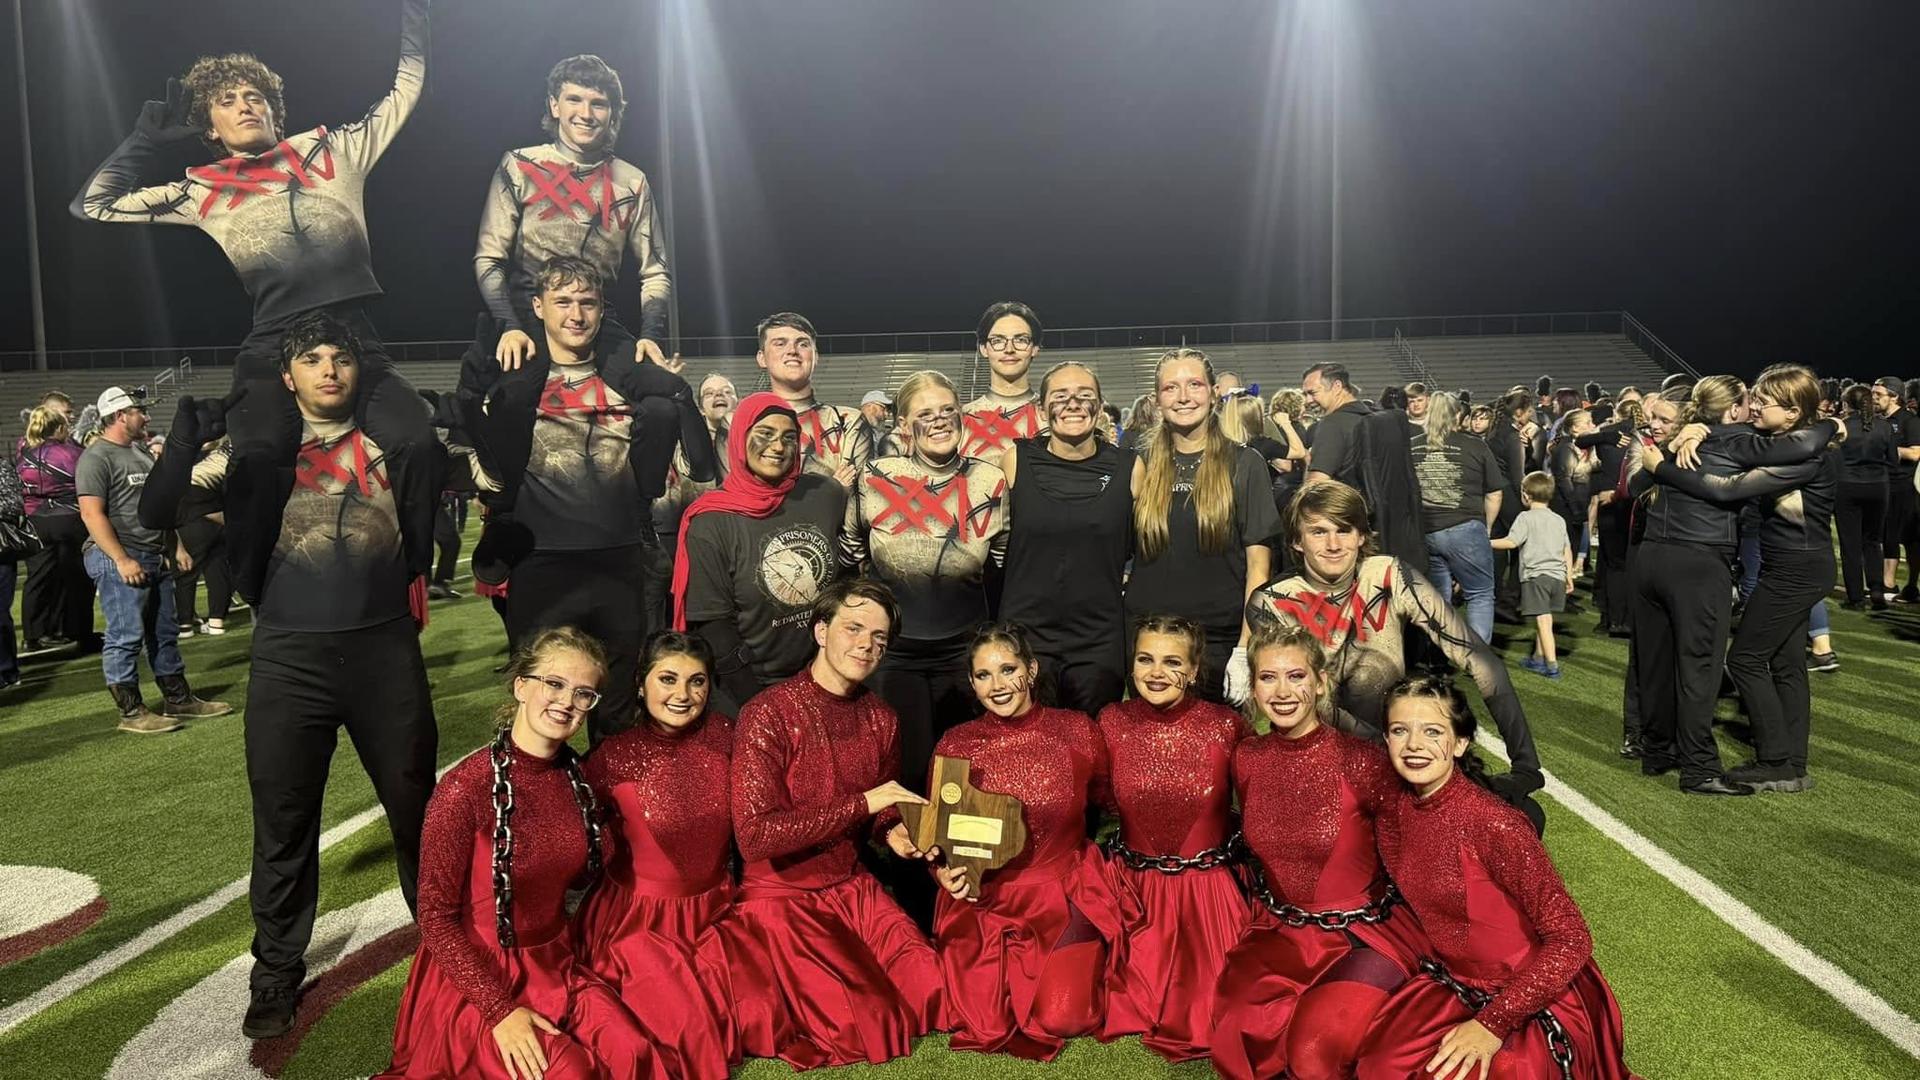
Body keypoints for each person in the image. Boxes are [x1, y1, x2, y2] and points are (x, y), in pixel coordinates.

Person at [139, 312, 436, 1037]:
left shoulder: (394, 445)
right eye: (313, 359)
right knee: (283, 824)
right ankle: (275, 971)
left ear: (359, 370)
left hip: (383, 653)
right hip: (289, 659)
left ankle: (449, 945)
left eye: (341, 357)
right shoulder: (248, 454)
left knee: (418, 815)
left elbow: (494, 479)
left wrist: (498, 408)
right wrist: (184, 441)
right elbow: (154, 511)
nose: (329, 369)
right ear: (287, 376)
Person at [72, 2, 441, 583]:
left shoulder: (331, 152)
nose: (245, 105)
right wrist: (143, 143)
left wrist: (415, 14)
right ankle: (251, 576)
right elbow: (93, 205)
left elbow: (407, 86)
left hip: (352, 336)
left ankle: (414, 567)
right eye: (227, 101)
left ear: (275, 111)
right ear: (211, 129)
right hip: (273, 341)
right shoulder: (203, 189)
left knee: (418, 440)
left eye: (255, 98)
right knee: (262, 453)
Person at [378, 627, 648, 1080]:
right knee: (570, 1071)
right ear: (522, 685)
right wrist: (500, 1012)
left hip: (556, 967)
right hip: (477, 979)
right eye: (554, 684)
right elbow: (435, 916)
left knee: (633, 1052)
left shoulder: (578, 778)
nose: (565, 702)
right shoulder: (464, 790)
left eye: (583, 694)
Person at [458, 257, 709, 740]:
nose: (576, 314)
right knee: (540, 715)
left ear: (602, 311)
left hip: (618, 562)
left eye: (588, 303)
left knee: (618, 714)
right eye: (563, 302)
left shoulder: (631, 375)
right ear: (538, 307)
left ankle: (610, 814)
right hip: (541, 564)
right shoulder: (512, 375)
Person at [1356, 676, 1634, 1080]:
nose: (1414, 744)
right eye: (1401, 730)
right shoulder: (1394, 809)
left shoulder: (1494, 824)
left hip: (1534, 996)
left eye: (1432, 731)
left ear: (1461, 743)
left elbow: (1572, 938)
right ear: (1387, 738)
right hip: (1452, 985)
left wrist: (1492, 1024)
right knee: (1377, 1068)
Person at [717, 578, 944, 1068]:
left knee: (934, 988)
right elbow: (755, 837)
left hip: (850, 884)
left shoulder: (882, 718)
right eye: (854, 628)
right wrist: (866, 804)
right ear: (821, 631)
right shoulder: (767, 713)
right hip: (781, 893)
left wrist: (895, 832)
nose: (866, 644)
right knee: (871, 1023)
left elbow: (881, 811)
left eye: (879, 638)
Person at [1211, 623, 1429, 1080]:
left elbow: (1418, 846)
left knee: (1312, 1056)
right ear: (1253, 686)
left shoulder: (1363, 760)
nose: (1283, 691)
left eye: (1296, 676)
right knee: (1238, 1035)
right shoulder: (1247, 758)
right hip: (1284, 933)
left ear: (1321, 681)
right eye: (1268, 678)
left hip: (1364, 935)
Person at [1247, 481, 1545, 806]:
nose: (1333, 544)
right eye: (1318, 532)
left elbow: (1479, 661)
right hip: (1321, 760)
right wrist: (1396, 755)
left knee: (1524, 813)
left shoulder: (1389, 574)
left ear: (1361, 536)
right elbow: (1313, 705)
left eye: (1344, 530)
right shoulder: (1272, 601)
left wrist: (1525, 762)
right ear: (1296, 541)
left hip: (1394, 751)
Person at [931, 623, 1125, 1060]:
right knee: (969, 1014)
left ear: (1032, 669)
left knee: (1065, 1017)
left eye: (1007, 669)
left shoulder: (1076, 730)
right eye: (983, 675)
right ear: (972, 683)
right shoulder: (956, 743)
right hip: (983, 899)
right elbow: (941, 837)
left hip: (1061, 889)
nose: (997, 686)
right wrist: (942, 872)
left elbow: (1111, 800)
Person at [1647, 366, 1841, 794]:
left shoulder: (1807, 456)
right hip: (1791, 564)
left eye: (1763, 402)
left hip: (1797, 568)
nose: (1753, 405)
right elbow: (1736, 439)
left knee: (1745, 660)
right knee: (1787, 662)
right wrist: (1697, 428)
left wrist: (1661, 468)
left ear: (1791, 414)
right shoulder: (1783, 443)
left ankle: (1776, 761)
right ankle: (1793, 762)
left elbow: (1727, 489)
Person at [577, 632, 736, 1079]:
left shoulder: (729, 737)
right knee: (684, 1036)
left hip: (719, 912)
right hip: (637, 925)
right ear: (641, 685)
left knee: (758, 1012)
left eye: (697, 682)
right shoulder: (612, 756)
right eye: (668, 679)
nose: (682, 695)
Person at [1095, 614, 1251, 1062]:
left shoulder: (1226, 725)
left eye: (1171, 662)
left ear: (1195, 670)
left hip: (1208, 895)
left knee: (1214, 1005)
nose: (1156, 673)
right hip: (1132, 892)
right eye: (1145, 659)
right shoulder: (1111, 720)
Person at [845, 370, 1009, 789]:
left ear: (962, 416)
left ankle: (962, 855)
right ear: (903, 425)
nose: (939, 420)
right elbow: (852, 549)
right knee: (910, 769)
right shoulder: (876, 476)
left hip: (964, 648)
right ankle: (908, 853)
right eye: (925, 413)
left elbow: (1000, 561)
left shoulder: (990, 479)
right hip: (897, 651)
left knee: (968, 773)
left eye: (948, 410)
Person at [475, 55, 673, 371]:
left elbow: (655, 271)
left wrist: (650, 335)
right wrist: (508, 325)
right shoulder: (519, 165)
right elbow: (489, 258)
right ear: (555, 105)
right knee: (509, 402)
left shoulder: (632, 181)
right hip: (528, 313)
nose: (586, 113)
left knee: (667, 397)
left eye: (598, 103)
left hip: (594, 316)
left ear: (613, 114)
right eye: (574, 100)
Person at [674, 392, 848, 717]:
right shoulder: (710, 520)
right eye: (764, 434)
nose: (778, 447)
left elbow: (848, 574)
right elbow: (713, 627)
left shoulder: (825, 495)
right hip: (747, 688)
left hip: (823, 678)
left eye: (789, 437)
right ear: (740, 438)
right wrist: (760, 703)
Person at [1126, 348, 1281, 703]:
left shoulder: (1245, 463)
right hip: (1148, 639)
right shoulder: (1138, 461)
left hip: (1216, 641)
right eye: (1171, 388)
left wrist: (1245, 648)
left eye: (1194, 385)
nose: (1183, 397)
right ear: (1156, 399)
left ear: (1213, 393)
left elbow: (1259, 566)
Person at [1626, 376, 1756, 795]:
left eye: (1665, 418)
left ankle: (1658, 751)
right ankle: (1698, 767)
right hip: (1697, 563)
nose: (1655, 425)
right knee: (1696, 666)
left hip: (1652, 559)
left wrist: (1674, 445)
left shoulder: (1679, 444)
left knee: (1656, 663)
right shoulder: (1733, 441)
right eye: (1654, 419)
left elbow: (1638, 485)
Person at [78, 386, 229, 733]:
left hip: (154, 554)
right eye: (138, 411)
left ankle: (178, 698)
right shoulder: (96, 457)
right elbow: (91, 514)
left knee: (164, 632)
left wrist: (175, 547)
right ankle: (131, 712)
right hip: (122, 556)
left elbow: (162, 506)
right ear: (119, 416)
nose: (145, 417)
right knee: (125, 635)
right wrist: (121, 559)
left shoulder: (140, 453)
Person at [1000, 362, 1137, 715]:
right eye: (1060, 396)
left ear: (1100, 405)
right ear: (1041, 409)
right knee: (1026, 751)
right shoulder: (1014, 460)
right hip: (1026, 636)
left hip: (1098, 641)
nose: (1073, 404)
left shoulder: (1131, 467)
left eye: (1085, 396)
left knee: (1089, 751)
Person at [1410, 392, 1503, 644]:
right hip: (1465, 526)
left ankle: (1438, 654)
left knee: (1438, 598)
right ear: (1459, 415)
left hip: (1426, 530)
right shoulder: (1475, 445)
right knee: (1480, 594)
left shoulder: (1413, 445)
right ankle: (1478, 659)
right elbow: (1494, 492)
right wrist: (1487, 527)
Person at [754, 312, 870, 484]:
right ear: (762, 358)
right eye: (780, 343)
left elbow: (854, 497)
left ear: (816, 357)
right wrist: (833, 486)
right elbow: (736, 498)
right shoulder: (738, 422)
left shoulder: (848, 421)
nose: (792, 351)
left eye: (803, 344)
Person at [16, 405, 92, 650]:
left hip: (35, 519)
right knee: (78, 578)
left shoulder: (25, 454)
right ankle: (78, 631)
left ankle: (32, 634)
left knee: (37, 578)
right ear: (59, 428)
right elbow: (85, 482)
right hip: (69, 518)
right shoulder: (71, 453)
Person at [1491, 472, 1574, 679]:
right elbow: (1567, 550)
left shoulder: (1525, 517)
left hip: (1537, 576)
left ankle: (1552, 665)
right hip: (1557, 576)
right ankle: (1537, 658)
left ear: (1526, 495)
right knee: (1545, 618)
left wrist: (1487, 542)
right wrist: (1569, 575)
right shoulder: (1558, 519)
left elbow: (1512, 542)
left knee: (1543, 621)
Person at [960, 301, 1048, 469]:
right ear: (984, 349)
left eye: (1021, 339)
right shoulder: (961, 420)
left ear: (1035, 348)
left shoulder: (1053, 417)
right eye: (998, 340)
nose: (1009, 349)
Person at [1835, 383, 1897, 609]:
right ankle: (1877, 590)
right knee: (1873, 541)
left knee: (1850, 543)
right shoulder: (1884, 426)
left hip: (1847, 486)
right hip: (1878, 486)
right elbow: (1893, 460)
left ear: (1847, 403)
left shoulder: (1842, 426)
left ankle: (1856, 597)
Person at [1871, 377, 1920, 601]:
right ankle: (1888, 583)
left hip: (1903, 486)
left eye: (1878, 395)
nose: (1873, 399)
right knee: (1885, 534)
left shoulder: (1910, 421)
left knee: (1909, 539)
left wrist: (1888, 448)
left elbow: (1915, 453)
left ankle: (1911, 585)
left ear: (1894, 396)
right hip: (1882, 482)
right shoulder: (1878, 420)